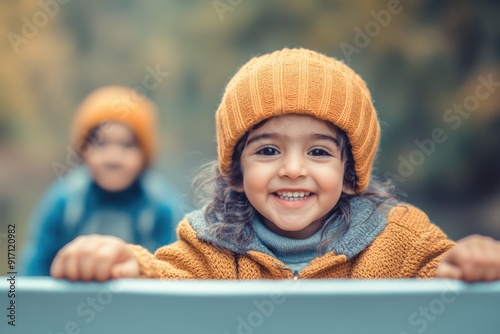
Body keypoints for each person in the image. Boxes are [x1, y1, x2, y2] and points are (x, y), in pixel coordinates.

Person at [50, 49, 500, 282]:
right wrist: (121, 261)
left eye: (319, 152)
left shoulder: (397, 240)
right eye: (267, 151)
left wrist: (473, 260)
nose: (292, 169)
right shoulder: (212, 249)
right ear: (236, 172)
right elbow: (163, 275)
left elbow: (442, 270)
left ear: (348, 175)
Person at [22, 86, 185, 276]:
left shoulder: (163, 205)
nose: (113, 157)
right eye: (100, 143)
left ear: (145, 156)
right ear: (83, 150)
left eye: (127, 145)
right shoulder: (64, 201)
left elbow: (177, 270)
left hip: (143, 304)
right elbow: (34, 267)